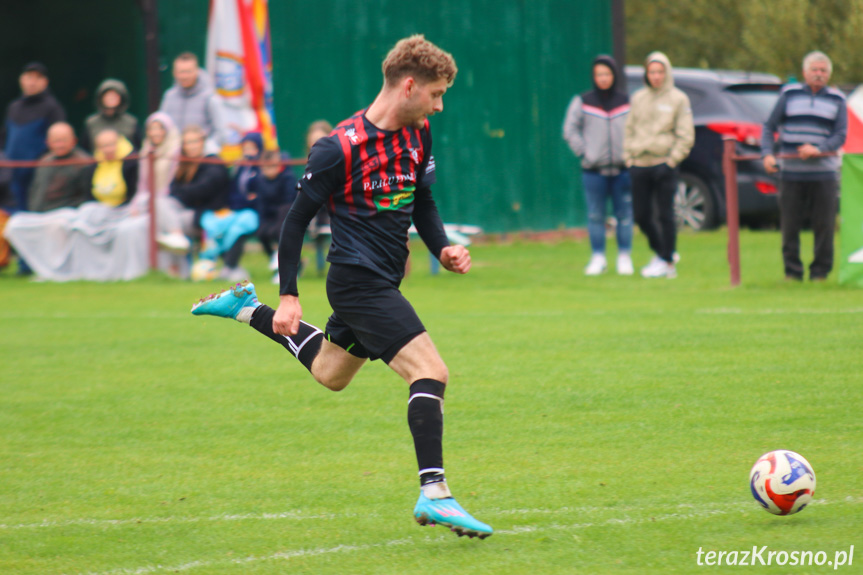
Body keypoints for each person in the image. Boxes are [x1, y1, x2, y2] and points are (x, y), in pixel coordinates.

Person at [190, 35, 492, 539]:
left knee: (331, 373)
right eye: (436, 94)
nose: (439, 106)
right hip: (357, 280)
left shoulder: (419, 136)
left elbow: (422, 201)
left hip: (383, 277)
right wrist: (291, 293)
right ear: (409, 86)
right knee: (431, 372)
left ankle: (245, 310)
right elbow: (294, 222)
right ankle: (435, 492)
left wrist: (441, 247)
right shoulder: (338, 148)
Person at [4, 128, 149, 281]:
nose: (107, 149)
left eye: (111, 144)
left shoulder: (123, 164)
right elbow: (37, 191)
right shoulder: (47, 162)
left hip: (115, 214)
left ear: (73, 141)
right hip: (78, 213)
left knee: (75, 225)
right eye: (103, 146)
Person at [762, 51, 847, 282]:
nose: (819, 75)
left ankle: (820, 273)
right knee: (790, 225)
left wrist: (818, 148)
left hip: (824, 173)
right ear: (804, 72)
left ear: (829, 74)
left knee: (824, 226)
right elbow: (769, 126)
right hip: (791, 172)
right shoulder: (789, 94)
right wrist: (768, 154)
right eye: (814, 70)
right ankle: (792, 272)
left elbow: (841, 135)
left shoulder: (838, 99)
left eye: (823, 71)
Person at [624, 51, 694, 279]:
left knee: (665, 214)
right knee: (641, 215)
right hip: (640, 163)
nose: (656, 76)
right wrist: (629, 158)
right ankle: (662, 253)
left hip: (664, 163)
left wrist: (672, 160)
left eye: (660, 71)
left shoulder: (678, 99)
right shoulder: (638, 98)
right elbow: (629, 129)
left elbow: (686, 135)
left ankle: (667, 262)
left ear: (667, 72)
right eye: (652, 72)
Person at [563, 54, 633, 276]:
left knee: (624, 215)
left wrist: (630, 153)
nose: (603, 78)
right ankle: (598, 257)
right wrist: (586, 153)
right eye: (599, 74)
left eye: (607, 74)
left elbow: (636, 130)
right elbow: (570, 130)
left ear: (614, 75)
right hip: (594, 171)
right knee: (595, 215)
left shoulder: (626, 102)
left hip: (622, 170)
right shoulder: (584, 101)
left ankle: (624, 256)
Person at [1, 62, 66, 274]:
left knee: (33, 220)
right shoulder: (14, 107)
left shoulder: (52, 107)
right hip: (11, 176)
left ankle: (30, 265)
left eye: (37, 78)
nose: (31, 81)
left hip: (37, 176)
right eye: (28, 77)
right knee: (12, 220)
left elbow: (58, 141)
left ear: (44, 82)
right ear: (22, 80)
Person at [133, 111, 190, 253]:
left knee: (158, 203)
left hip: (170, 198)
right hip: (148, 198)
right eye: (152, 129)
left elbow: (172, 182)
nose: (155, 132)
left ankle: (177, 235)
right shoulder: (145, 151)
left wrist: (154, 198)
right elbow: (142, 184)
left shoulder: (175, 151)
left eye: (159, 128)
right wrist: (135, 204)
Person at [159, 52, 226, 154]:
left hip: (201, 160)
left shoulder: (209, 97)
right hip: (173, 160)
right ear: (174, 73)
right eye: (181, 72)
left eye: (188, 71)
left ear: (197, 71)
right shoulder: (169, 96)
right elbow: (162, 127)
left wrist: (203, 149)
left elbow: (221, 133)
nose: (184, 76)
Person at [249, 148, 298, 283]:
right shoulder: (259, 180)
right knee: (261, 233)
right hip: (269, 218)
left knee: (281, 230)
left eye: (272, 166)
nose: (268, 171)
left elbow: (289, 201)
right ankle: (275, 259)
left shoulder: (288, 178)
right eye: (265, 168)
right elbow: (261, 203)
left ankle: (285, 267)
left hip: (286, 219)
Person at [27, 122, 91, 213]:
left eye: (63, 140)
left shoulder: (84, 163)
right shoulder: (44, 162)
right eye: (56, 141)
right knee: (15, 223)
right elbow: (35, 190)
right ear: (47, 142)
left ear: (74, 141)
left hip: (67, 215)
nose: (60, 145)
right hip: (39, 214)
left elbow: (85, 198)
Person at [80, 79, 141, 153]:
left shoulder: (131, 122)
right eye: (107, 95)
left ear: (122, 98)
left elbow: (138, 148)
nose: (111, 98)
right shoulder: (91, 122)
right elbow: (85, 149)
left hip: (127, 163)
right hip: (99, 163)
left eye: (115, 95)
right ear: (101, 98)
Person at [305, 120, 333, 275]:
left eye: (320, 140)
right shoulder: (309, 165)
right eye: (312, 141)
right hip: (315, 212)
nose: (316, 144)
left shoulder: (336, 164)